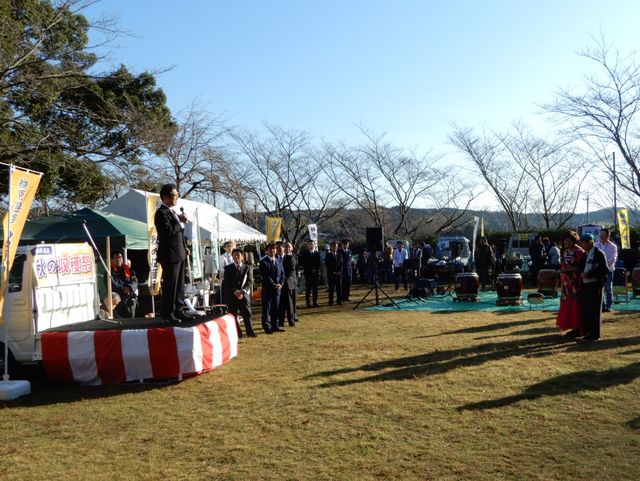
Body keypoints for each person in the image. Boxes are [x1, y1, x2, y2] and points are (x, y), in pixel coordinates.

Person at [154, 183, 190, 324]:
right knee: (171, 284)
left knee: (180, 284)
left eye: (177, 195)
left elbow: (179, 235)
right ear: (166, 197)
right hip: (169, 255)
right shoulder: (161, 213)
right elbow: (166, 233)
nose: (176, 198)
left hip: (179, 252)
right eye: (174, 195)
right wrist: (179, 222)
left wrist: (185, 246)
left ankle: (179, 309)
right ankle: (168, 312)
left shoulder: (174, 211)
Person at [578, 233, 609, 342]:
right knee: (586, 310)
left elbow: (604, 270)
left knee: (594, 311)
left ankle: (595, 335)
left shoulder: (599, 253)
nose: (581, 245)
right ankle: (588, 332)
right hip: (585, 285)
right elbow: (580, 267)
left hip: (595, 285)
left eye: (583, 242)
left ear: (590, 242)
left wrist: (589, 274)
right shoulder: (585, 254)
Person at [556, 231, 585, 337]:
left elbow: (580, 268)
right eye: (565, 241)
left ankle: (579, 328)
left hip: (576, 283)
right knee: (567, 303)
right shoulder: (565, 252)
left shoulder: (580, 252)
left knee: (576, 304)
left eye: (568, 240)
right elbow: (564, 265)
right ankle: (572, 327)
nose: (566, 243)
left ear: (574, 240)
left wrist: (565, 270)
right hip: (566, 283)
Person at [222, 248, 256, 338]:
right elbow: (226, 283)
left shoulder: (248, 268)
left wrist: (243, 291)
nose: (236, 257)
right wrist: (234, 291)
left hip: (244, 295)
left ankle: (250, 331)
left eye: (238, 255)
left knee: (247, 314)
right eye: (234, 255)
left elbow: (250, 281)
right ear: (232, 257)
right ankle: (238, 333)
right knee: (233, 315)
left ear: (242, 256)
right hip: (232, 296)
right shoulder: (228, 268)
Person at [259, 242, 285, 334]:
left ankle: (275, 325)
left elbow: (282, 274)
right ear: (267, 250)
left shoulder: (278, 260)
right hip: (268, 290)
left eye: (274, 249)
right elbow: (266, 277)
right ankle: (266, 326)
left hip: (277, 289)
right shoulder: (263, 262)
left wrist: (281, 284)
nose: (273, 250)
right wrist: (274, 285)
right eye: (271, 249)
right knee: (267, 309)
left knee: (276, 308)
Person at [108, 250, 138, 318]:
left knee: (131, 321)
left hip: (129, 299)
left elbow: (135, 281)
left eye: (120, 257)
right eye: (116, 258)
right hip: (117, 302)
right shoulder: (109, 272)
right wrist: (124, 289)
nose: (119, 260)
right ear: (112, 260)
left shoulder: (129, 270)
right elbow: (112, 285)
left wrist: (130, 287)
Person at [595, 227, 618, 312]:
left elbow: (613, 259)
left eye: (603, 234)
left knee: (608, 288)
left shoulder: (613, 246)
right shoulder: (596, 244)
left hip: (609, 270)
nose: (601, 236)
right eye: (600, 234)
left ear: (608, 235)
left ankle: (609, 306)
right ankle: (602, 306)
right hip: (598, 270)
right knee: (600, 288)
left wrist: (605, 266)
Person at [279, 241, 298, 327]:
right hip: (280, 285)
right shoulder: (280, 257)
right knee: (281, 304)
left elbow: (290, 271)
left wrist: (282, 281)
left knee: (290, 304)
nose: (286, 248)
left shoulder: (292, 258)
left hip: (288, 283)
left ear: (291, 248)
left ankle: (291, 321)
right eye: (285, 247)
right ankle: (281, 321)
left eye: (288, 247)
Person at [300, 240, 321, 307]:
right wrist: (311, 269)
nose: (311, 245)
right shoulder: (304, 253)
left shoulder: (317, 253)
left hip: (315, 274)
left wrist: (316, 269)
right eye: (310, 244)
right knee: (308, 288)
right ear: (308, 245)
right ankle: (308, 303)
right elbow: (304, 263)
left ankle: (315, 302)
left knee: (315, 288)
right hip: (308, 273)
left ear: (314, 245)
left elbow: (319, 263)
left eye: (312, 244)